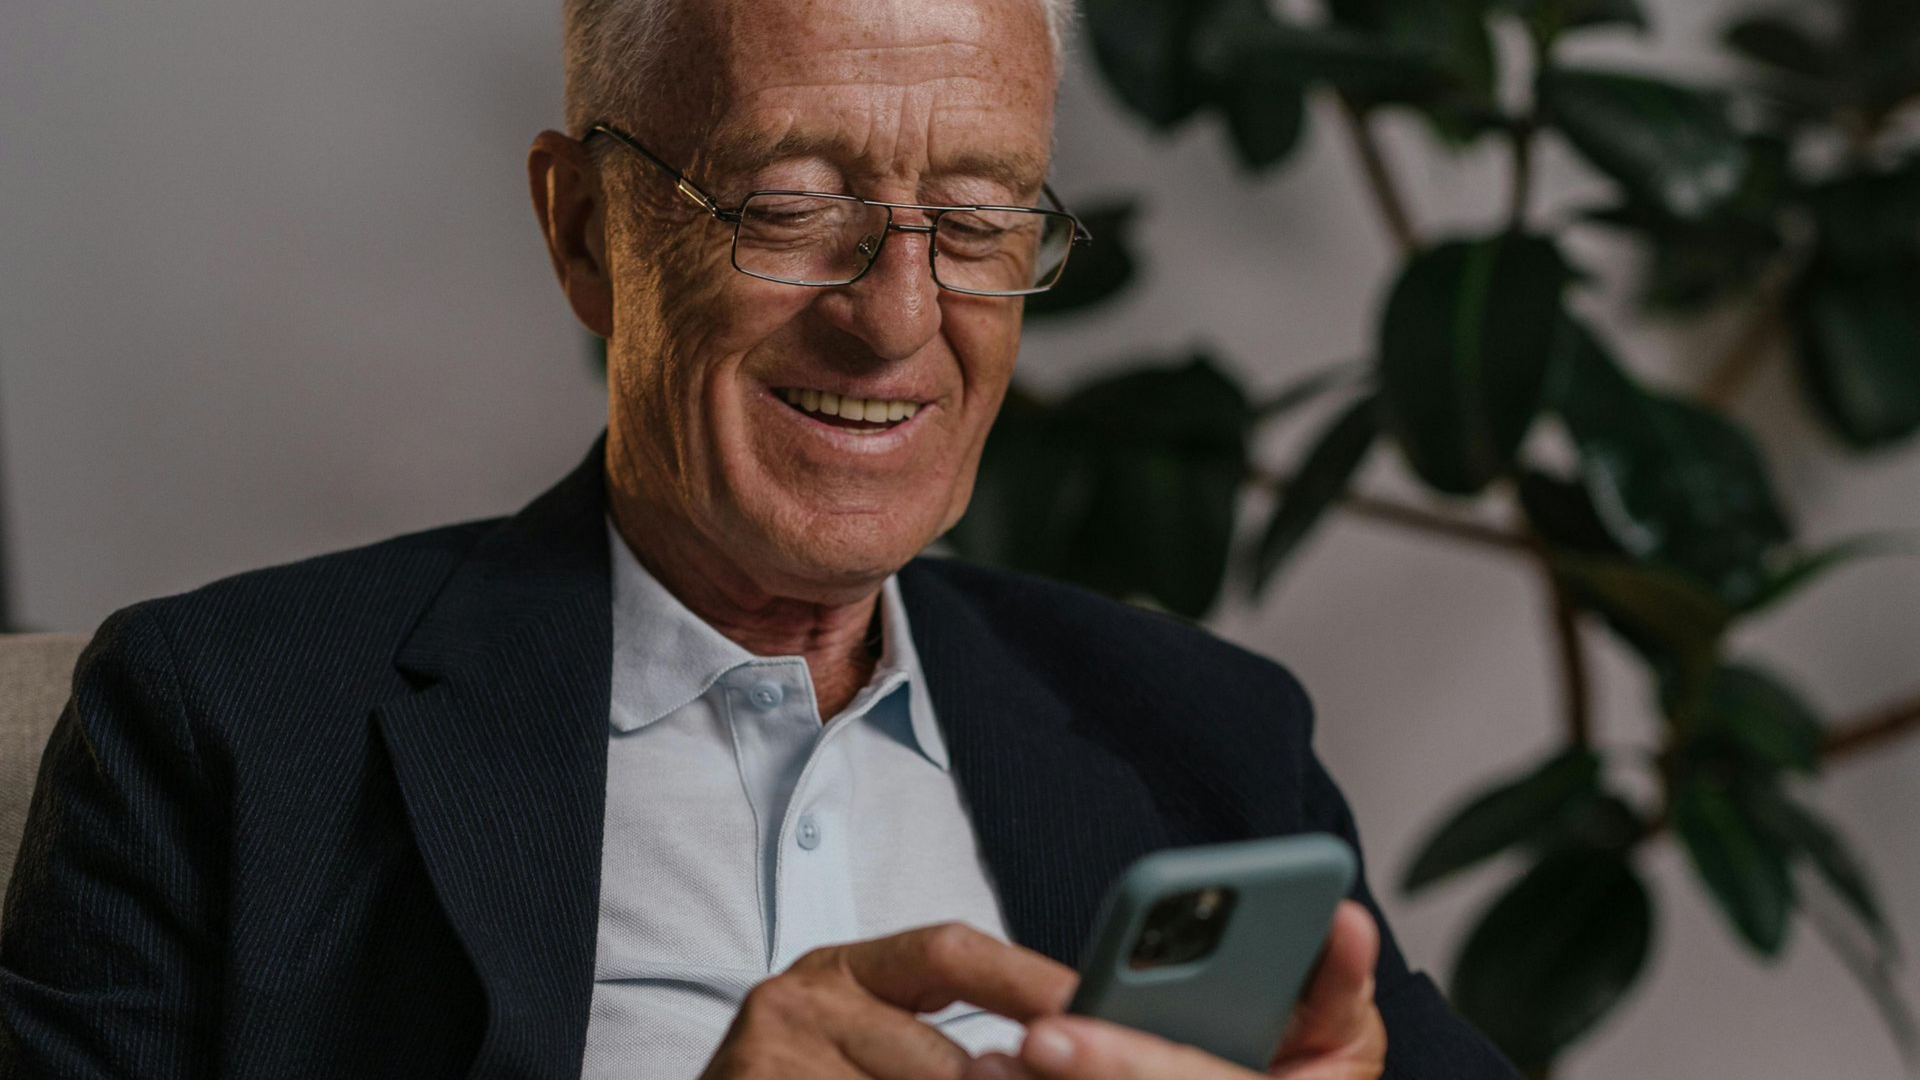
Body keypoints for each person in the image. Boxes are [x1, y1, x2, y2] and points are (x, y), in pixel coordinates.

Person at [0, 0, 1521, 1077]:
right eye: (792, 206)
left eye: (981, 222)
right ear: (588, 229)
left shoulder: (1206, 735)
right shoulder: (230, 721)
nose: (897, 318)